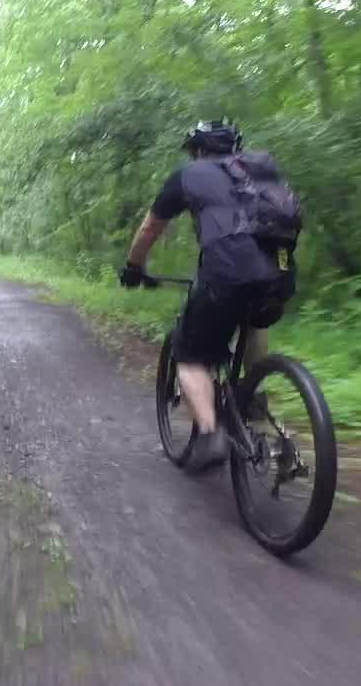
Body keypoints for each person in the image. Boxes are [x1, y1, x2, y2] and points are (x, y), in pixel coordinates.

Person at [118, 120, 296, 471]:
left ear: (198, 150)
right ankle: (256, 404)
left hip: (226, 275)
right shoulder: (259, 170)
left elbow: (150, 228)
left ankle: (211, 432)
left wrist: (134, 266)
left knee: (190, 356)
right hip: (279, 274)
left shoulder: (188, 175)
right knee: (252, 318)